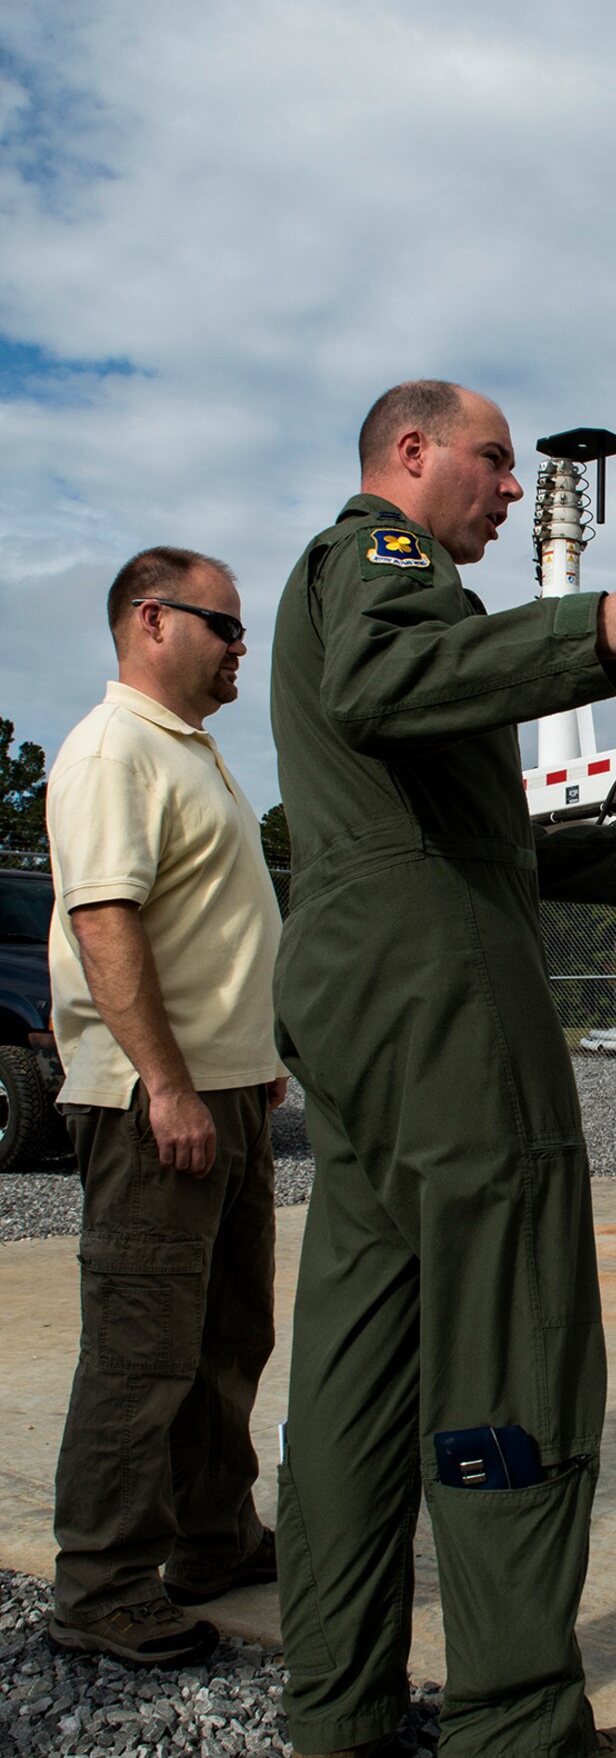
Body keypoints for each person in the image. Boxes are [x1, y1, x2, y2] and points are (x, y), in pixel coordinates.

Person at [270, 379, 616, 1758]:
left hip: (356, 1008)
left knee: (356, 1371)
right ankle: (514, 1740)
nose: (502, 486)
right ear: (408, 456)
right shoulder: (383, 573)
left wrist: (615, 858)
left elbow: (404, 817)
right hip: (445, 1011)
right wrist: (595, 626)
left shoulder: (354, 600)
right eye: (487, 461)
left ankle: (335, 1728)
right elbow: (382, 684)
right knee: (513, 1344)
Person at [45, 547, 287, 1669]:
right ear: (152, 619)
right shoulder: (113, 751)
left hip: (221, 1093)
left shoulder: (191, 750)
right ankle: (102, 1587)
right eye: (223, 626)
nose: (241, 646)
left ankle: (212, 1540)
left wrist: (244, 1060)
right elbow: (106, 924)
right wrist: (169, 1082)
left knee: (228, 1336)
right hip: (156, 1105)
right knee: (143, 1355)